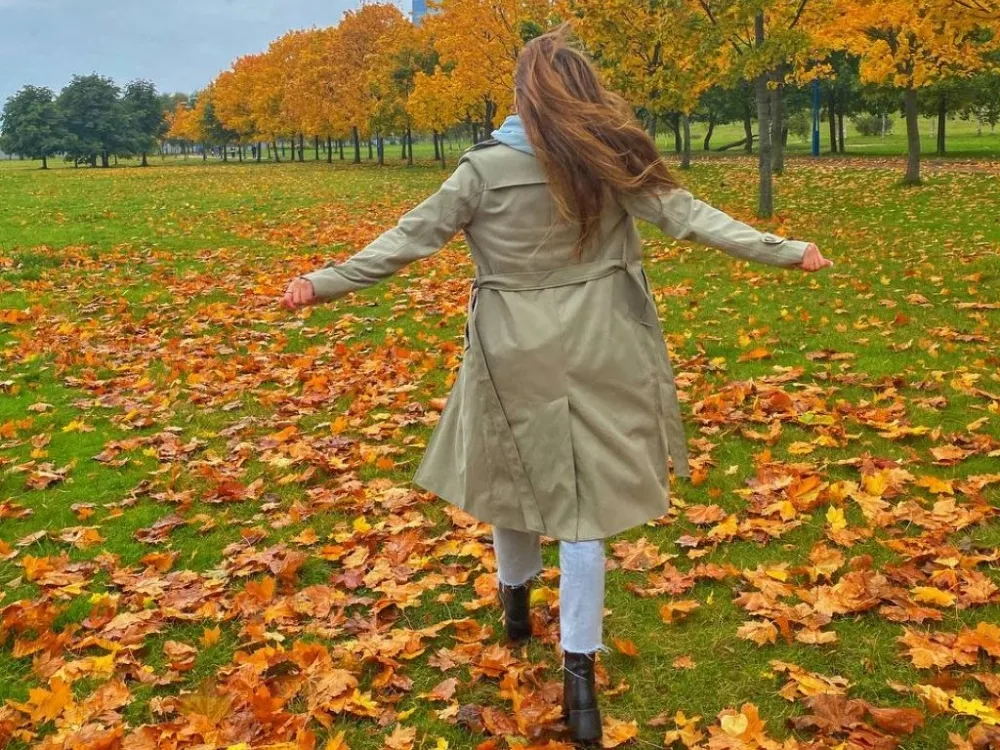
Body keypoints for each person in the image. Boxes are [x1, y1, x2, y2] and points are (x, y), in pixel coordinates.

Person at [282, 27, 832, 746]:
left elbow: (406, 240)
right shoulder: (611, 159)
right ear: (583, 90)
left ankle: (516, 606)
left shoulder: (481, 172)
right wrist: (786, 251)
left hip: (515, 346)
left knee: (515, 468)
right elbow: (691, 219)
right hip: (603, 340)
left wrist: (319, 283)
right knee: (583, 508)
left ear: (522, 94)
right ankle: (580, 690)